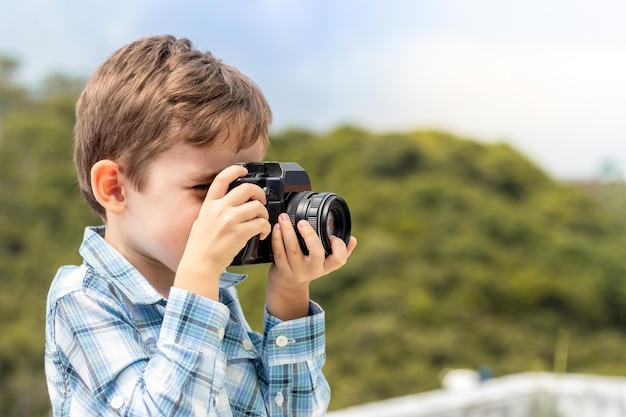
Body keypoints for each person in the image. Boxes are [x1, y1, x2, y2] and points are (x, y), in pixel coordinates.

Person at [44, 35, 357, 417]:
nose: (228, 209)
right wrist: (200, 276)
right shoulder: (83, 299)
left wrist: (289, 293)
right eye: (206, 188)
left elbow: (293, 412)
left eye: (245, 185)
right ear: (115, 188)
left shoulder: (213, 291)